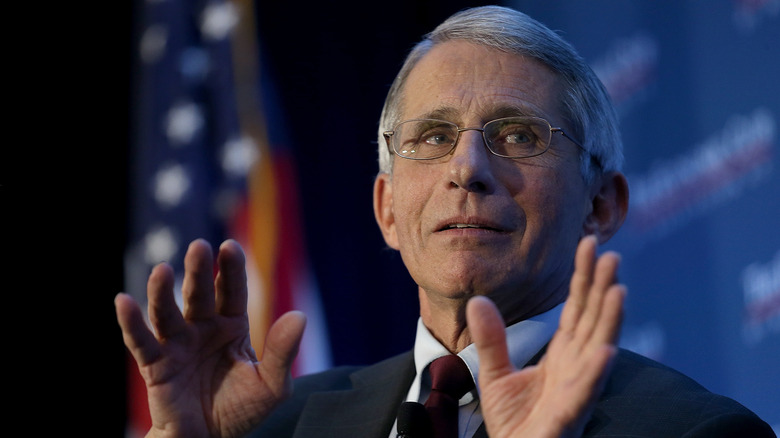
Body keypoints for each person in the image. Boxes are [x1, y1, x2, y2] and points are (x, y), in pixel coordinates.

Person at [115, 6, 775, 438]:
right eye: (431, 137)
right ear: (387, 210)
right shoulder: (277, 426)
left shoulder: (697, 433)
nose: (467, 169)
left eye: (518, 135)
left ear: (601, 206)